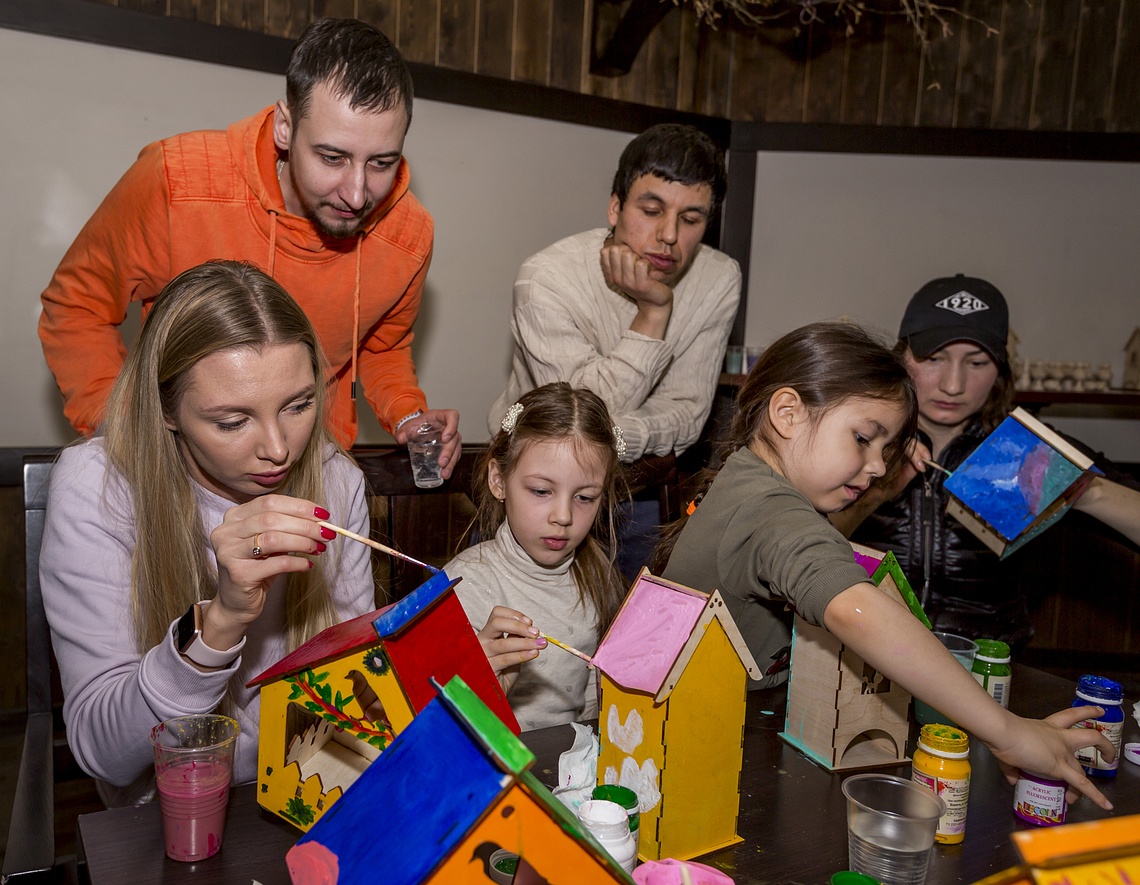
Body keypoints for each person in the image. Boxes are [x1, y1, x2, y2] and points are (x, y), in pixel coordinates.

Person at [653, 321, 1116, 810]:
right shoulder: (771, 511)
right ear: (787, 413)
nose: (877, 466)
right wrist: (1008, 732)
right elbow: (856, 608)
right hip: (706, 760)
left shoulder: (746, 480)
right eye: (862, 439)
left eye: (885, 449)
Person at [38, 17, 460, 472]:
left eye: (381, 163)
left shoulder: (410, 235)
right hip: (177, 469)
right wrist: (128, 433)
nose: (357, 194)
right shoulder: (176, 181)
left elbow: (380, 346)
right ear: (285, 126)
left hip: (308, 472)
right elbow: (76, 309)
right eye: (332, 158)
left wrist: (408, 413)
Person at [40, 261, 377, 806]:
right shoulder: (97, 487)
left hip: (307, 792)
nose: (278, 448)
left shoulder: (335, 481)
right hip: (167, 821)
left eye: (298, 405)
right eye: (231, 421)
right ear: (167, 410)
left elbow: (349, 708)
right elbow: (102, 754)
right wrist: (219, 623)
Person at [488, 123, 740, 577]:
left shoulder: (719, 278)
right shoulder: (545, 279)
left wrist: (616, 437)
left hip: (642, 490)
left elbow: (687, 416)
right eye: (651, 209)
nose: (668, 235)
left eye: (691, 219)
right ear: (615, 206)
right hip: (534, 488)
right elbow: (575, 421)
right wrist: (653, 313)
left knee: (633, 633)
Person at [836, 275, 1140, 649]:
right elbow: (796, 545)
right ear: (901, 356)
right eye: (934, 359)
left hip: (987, 667)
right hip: (865, 656)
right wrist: (878, 489)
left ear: (1000, 370)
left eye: (977, 362)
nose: (953, 385)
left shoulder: (1028, 448)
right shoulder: (856, 434)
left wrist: (1081, 488)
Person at [446, 383, 627, 731]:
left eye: (585, 497)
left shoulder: (599, 580)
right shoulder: (464, 586)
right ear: (499, 481)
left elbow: (596, 705)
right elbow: (429, 721)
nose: (563, 516)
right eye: (542, 491)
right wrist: (472, 673)